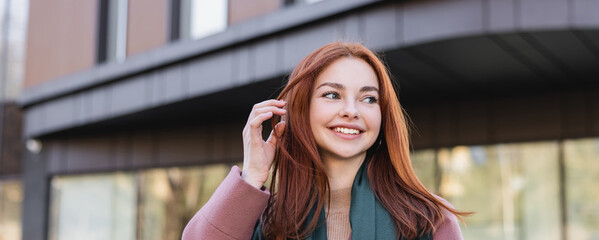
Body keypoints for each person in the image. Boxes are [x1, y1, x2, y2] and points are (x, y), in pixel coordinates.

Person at [182, 42, 467, 240]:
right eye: (332, 94)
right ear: (301, 108)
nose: (351, 111)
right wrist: (252, 175)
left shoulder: (428, 219)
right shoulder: (266, 219)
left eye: (368, 98)